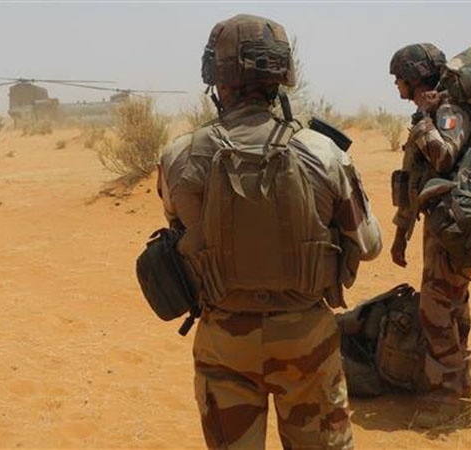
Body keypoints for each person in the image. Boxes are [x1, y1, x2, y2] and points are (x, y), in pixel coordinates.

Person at [159, 14, 382, 448]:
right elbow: (369, 245)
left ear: (216, 79)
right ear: (282, 76)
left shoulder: (180, 156)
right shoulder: (324, 153)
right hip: (307, 342)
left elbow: (177, 227)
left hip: (223, 343)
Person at [388, 43, 471, 427]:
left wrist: (426, 117)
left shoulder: (449, 111)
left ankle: (446, 396)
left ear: (414, 77)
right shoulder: (429, 113)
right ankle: (461, 379)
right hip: (438, 225)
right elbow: (413, 179)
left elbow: (443, 157)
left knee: (437, 308)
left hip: (454, 226)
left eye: (399, 79)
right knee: (451, 300)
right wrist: (401, 232)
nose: (396, 86)